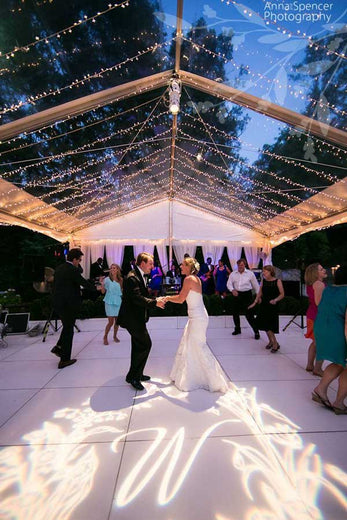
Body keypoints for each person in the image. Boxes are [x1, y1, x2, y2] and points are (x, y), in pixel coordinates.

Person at [164, 257, 229, 393]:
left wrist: (167, 298)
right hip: (197, 316)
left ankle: (215, 380)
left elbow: (181, 299)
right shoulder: (195, 278)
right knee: (191, 345)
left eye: (182, 265)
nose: (180, 267)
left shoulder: (189, 279)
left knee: (199, 347)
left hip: (198, 318)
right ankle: (194, 376)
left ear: (188, 266)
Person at [117, 252, 165, 391]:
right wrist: (155, 302)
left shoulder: (139, 275)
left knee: (138, 346)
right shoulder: (132, 278)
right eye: (150, 263)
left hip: (137, 318)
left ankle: (135, 374)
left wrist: (154, 298)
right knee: (145, 344)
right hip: (132, 319)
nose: (152, 266)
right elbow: (137, 299)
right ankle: (134, 377)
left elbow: (142, 294)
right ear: (142, 263)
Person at [51, 248, 96, 369]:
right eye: (79, 260)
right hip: (68, 304)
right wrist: (97, 288)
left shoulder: (59, 268)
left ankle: (59, 348)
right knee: (68, 329)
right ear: (75, 259)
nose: (80, 262)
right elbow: (84, 283)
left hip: (59, 303)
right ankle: (64, 359)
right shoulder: (72, 270)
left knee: (67, 326)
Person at [312, 265, 347, 414]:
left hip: (322, 328)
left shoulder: (329, 289)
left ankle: (321, 389)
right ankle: (339, 403)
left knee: (339, 363)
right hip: (338, 331)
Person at [249, 265, 284, 352]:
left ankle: (275, 343)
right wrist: (254, 303)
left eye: (265, 271)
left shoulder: (277, 281)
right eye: (263, 271)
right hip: (264, 305)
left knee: (269, 326)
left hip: (272, 306)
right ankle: (271, 342)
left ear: (270, 272)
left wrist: (275, 300)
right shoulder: (263, 281)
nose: (263, 273)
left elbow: (282, 294)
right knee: (264, 325)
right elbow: (259, 293)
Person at [226, 258, 260, 339]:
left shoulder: (250, 274)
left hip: (247, 295)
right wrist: (232, 290)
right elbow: (228, 284)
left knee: (249, 315)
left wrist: (258, 296)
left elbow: (256, 286)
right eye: (238, 265)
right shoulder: (233, 274)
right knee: (235, 313)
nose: (240, 267)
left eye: (241, 265)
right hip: (236, 294)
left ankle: (256, 331)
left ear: (245, 265)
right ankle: (237, 329)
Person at [304, 263, 327, 376]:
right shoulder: (319, 284)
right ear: (315, 273)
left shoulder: (312, 284)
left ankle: (310, 365)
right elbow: (319, 303)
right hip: (318, 317)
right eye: (321, 269)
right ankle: (318, 369)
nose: (324, 270)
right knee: (321, 343)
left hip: (312, 315)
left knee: (315, 342)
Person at [98, 264, 123, 345]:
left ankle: (115, 336)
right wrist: (102, 284)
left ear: (117, 270)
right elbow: (103, 292)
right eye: (111, 268)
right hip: (109, 301)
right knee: (110, 322)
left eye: (114, 268)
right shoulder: (107, 279)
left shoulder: (121, 280)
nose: (112, 269)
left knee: (117, 321)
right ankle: (105, 336)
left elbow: (122, 292)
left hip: (118, 301)